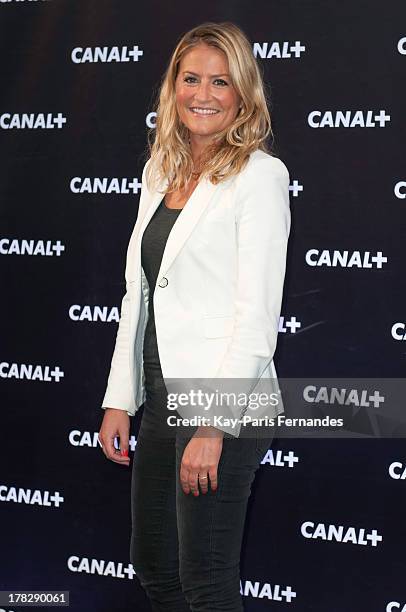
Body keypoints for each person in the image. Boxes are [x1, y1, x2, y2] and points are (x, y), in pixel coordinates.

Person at [98, 21, 291, 612]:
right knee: (155, 567)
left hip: (222, 405)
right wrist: (118, 399)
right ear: (172, 87)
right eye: (191, 79)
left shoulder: (259, 176)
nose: (203, 94)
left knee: (205, 580)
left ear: (242, 95)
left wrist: (213, 427)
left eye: (220, 82)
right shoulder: (159, 174)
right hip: (158, 398)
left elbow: (256, 314)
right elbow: (139, 294)